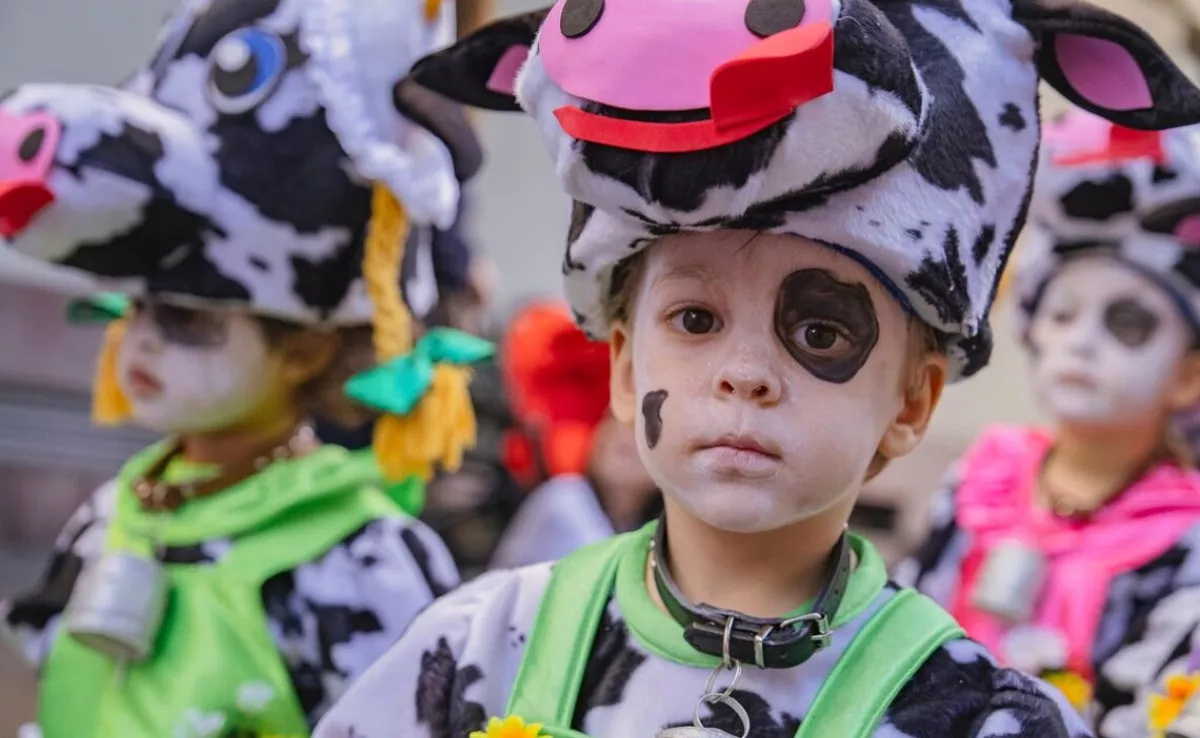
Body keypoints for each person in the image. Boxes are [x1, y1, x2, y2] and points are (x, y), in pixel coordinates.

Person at [315, 2, 1200, 737]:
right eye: (694, 319)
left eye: (819, 334)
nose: (745, 373)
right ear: (624, 367)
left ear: (912, 400)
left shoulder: (980, 723)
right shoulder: (479, 650)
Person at [0, 0, 489, 734]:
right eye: (133, 309)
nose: (142, 343)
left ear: (306, 347)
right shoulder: (115, 509)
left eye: (188, 319)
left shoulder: (359, 556)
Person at [896, 108, 1200, 738]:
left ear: (1188, 376)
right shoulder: (986, 473)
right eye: (1062, 315)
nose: (1080, 345)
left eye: (1127, 324)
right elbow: (905, 622)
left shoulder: (1184, 536)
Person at [490, 301, 659, 569]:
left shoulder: (637, 526)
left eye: (640, 430)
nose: (622, 436)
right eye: (613, 420)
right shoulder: (564, 497)